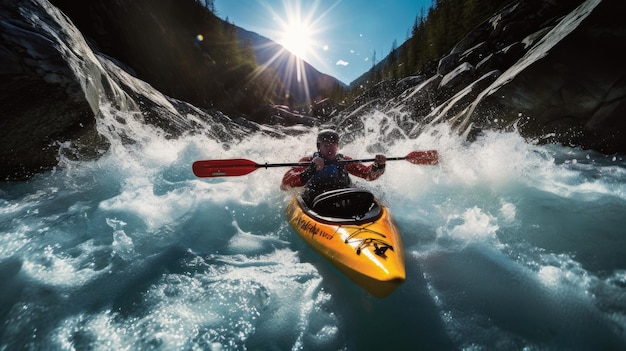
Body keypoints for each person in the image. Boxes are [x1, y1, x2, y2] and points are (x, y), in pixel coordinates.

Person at [280, 129, 387, 205]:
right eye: (326, 145)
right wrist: (311, 169)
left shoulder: (344, 161)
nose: (329, 149)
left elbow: (367, 175)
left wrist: (378, 166)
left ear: (337, 146)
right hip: (316, 202)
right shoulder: (307, 161)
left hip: (344, 199)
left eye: (333, 145)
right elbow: (285, 184)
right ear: (319, 146)